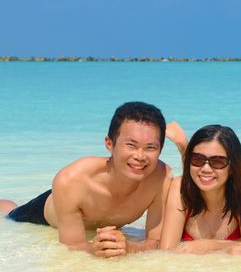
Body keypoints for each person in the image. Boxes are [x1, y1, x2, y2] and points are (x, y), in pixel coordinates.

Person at [0, 102, 186, 257]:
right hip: (41, 214)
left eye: (150, 147)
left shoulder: (161, 178)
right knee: (9, 215)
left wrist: (130, 248)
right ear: (109, 144)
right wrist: (94, 249)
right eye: (131, 145)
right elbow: (72, 248)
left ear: (160, 150)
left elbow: (156, 242)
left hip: (90, 218)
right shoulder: (72, 180)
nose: (140, 156)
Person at [160, 124, 241, 251]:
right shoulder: (180, 187)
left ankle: (184, 146)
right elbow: (166, 251)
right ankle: (184, 147)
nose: (206, 168)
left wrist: (207, 245)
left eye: (218, 161)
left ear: (232, 167)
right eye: (197, 159)